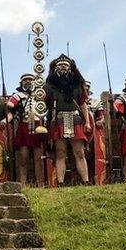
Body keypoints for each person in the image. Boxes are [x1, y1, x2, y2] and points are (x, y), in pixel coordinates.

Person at [46, 54, 91, 184]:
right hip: (59, 120)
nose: (63, 67)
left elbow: (83, 104)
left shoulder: (78, 85)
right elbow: (43, 102)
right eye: (60, 65)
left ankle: (86, 181)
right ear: (55, 67)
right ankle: (60, 182)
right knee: (60, 153)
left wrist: (87, 122)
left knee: (79, 153)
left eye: (65, 65)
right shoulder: (49, 85)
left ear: (70, 68)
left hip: (75, 118)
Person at [7, 73, 47, 187]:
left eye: (30, 79)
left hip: (38, 126)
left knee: (38, 158)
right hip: (24, 125)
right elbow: (10, 107)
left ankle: (40, 184)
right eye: (25, 80)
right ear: (22, 82)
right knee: (23, 158)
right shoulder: (18, 95)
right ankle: (22, 185)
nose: (28, 81)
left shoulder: (40, 94)